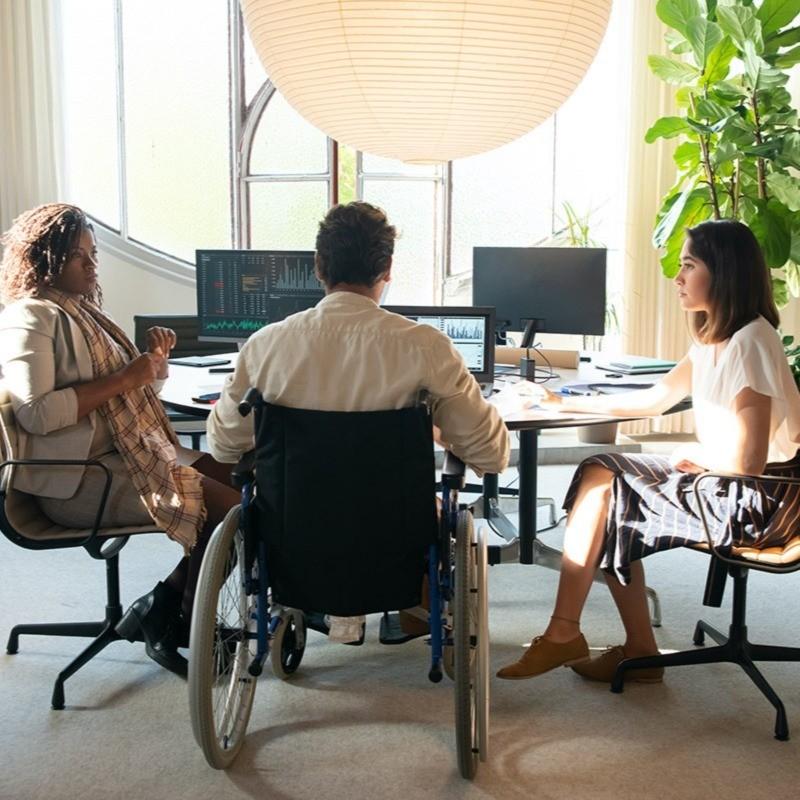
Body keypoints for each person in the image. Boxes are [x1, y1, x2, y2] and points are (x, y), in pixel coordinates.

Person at [496, 218, 800, 682]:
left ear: (724, 273)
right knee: (602, 477)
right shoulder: (714, 340)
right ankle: (619, 646)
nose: (676, 278)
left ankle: (584, 638)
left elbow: (750, 460)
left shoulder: (751, 341)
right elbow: (653, 399)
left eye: (688, 265)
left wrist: (697, 460)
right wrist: (562, 403)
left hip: (759, 500)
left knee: (608, 486)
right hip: (725, 481)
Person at [206, 200, 510, 642]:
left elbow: (222, 446)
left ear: (318, 266)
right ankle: (415, 612)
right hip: (394, 545)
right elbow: (490, 454)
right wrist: (440, 429)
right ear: (386, 268)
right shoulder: (426, 346)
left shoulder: (265, 346)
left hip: (294, 538)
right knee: (441, 507)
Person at [0, 203, 240, 677]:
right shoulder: (30, 317)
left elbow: (129, 401)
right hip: (79, 479)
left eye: (93, 254)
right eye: (77, 257)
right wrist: (125, 379)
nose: (91, 266)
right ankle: (189, 624)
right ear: (45, 260)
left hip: (121, 457)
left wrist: (154, 362)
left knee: (244, 482)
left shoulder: (84, 313)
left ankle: (161, 605)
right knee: (230, 511)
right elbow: (36, 413)